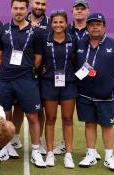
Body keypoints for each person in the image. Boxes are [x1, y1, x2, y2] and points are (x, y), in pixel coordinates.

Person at [0, 0, 46, 168]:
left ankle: (36, 151)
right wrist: (6, 70)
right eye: (15, 8)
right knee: (4, 116)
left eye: (21, 8)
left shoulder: (36, 32)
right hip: (5, 79)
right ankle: (3, 147)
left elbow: (38, 58)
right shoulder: (3, 30)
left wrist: (25, 70)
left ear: (26, 9)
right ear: (11, 9)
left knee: (33, 116)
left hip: (26, 79)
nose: (18, 11)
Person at [76, 13, 114, 172]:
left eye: (98, 24)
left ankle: (109, 157)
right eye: (91, 25)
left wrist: (112, 85)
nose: (95, 27)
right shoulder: (80, 44)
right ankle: (91, 154)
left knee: (107, 125)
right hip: (84, 95)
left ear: (104, 26)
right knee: (89, 124)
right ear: (87, 27)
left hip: (106, 96)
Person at [36, 10, 77, 168]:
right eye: (55, 22)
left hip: (68, 84)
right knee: (50, 119)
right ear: (50, 24)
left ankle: (68, 154)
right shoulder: (44, 40)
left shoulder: (73, 40)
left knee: (67, 119)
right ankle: (50, 153)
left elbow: (78, 60)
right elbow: (39, 60)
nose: (58, 25)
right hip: (49, 84)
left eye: (61, 22)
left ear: (66, 23)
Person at [53, 0, 91, 156]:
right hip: (66, 78)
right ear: (73, 12)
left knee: (89, 114)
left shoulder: (93, 29)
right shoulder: (64, 29)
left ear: (88, 11)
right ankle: (64, 143)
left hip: (87, 78)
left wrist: (84, 71)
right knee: (65, 115)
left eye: (83, 9)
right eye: (77, 9)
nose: (80, 11)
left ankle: (91, 150)